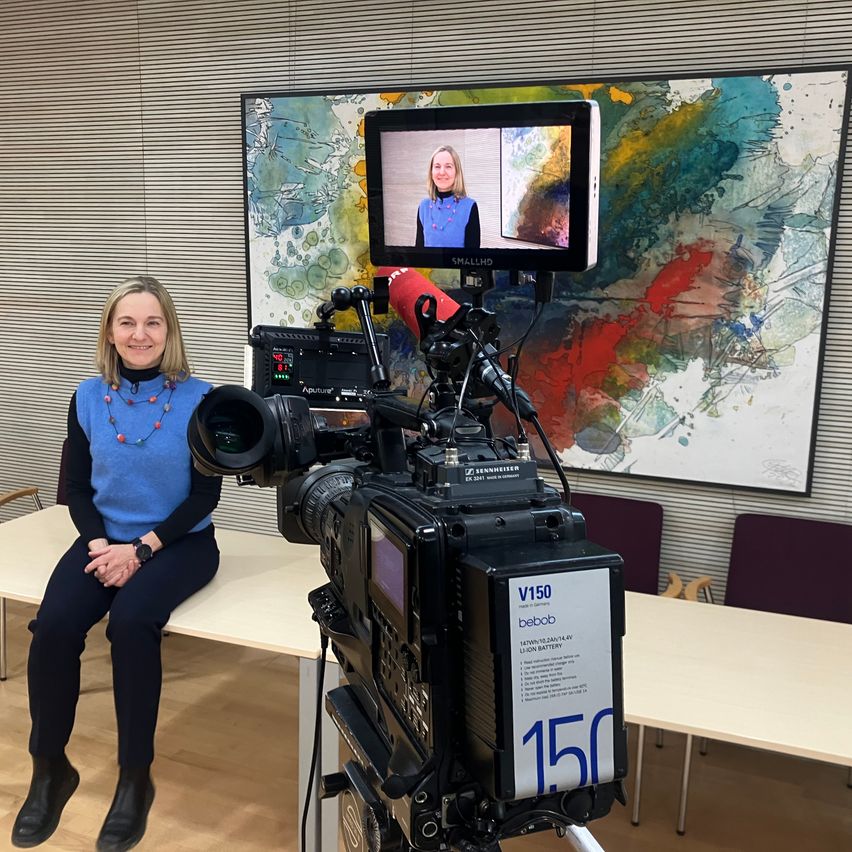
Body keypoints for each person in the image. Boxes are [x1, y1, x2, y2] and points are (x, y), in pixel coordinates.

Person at [11, 276, 222, 851]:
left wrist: (142, 550)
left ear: (169, 330)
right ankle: (50, 771)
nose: (139, 334)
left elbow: (204, 500)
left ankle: (135, 780)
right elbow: (75, 488)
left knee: (131, 624)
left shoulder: (200, 400)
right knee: (52, 628)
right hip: (104, 540)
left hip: (179, 543)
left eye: (153, 322)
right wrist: (104, 545)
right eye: (127, 322)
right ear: (110, 330)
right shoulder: (86, 396)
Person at [415, 145, 481, 249]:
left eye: (448, 166)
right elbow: (418, 254)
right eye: (437, 166)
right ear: (431, 172)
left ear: (457, 172)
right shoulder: (423, 206)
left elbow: (472, 259)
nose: (442, 172)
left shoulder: (470, 206)